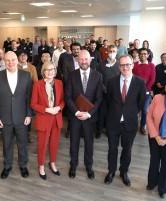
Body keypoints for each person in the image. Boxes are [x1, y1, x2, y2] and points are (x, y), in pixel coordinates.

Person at [105, 54, 146, 186]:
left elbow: (140, 103)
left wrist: (129, 113)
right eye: (122, 65)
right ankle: (111, 171)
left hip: (130, 123)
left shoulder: (140, 83)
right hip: (113, 122)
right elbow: (108, 102)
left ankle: (124, 172)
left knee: (127, 149)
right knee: (112, 149)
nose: (125, 67)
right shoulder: (111, 81)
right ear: (119, 66)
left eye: (128, 64)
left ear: (132, 65)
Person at [0, 51, 32, 179]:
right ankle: (7, 166)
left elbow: (29, 98)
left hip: (22, 117)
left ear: (17, 60)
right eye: (8, 60)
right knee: (7, 143)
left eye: (13, 60)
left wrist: (29, 115)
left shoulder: (26, 75)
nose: (11, 62)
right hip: (4, 118)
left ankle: (23, 165)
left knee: (23, 143)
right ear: (4, 61)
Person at [65, 50, 103, 179]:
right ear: (77, 60)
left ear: (90, 60)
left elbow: (99, 99)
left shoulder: (98, 76)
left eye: (86, 59)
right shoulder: (71, 76)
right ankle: (73, 165)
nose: (84, 62)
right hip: (75, 117)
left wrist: (89, 114)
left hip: (90, 118)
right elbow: (68, 97)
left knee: (89, 143)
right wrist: (76, 112)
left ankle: (89, 166)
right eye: (81, 59)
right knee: (73, 143)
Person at [31, 61, 65, 180]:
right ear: (43, 72)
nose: (50, 72)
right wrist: (46, 109)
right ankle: (41, 166)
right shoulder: (37, 84)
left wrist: (59, 107)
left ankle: (52, 163)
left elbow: (62, 101)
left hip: (56, 117)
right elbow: (33, 104)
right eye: (47, 70)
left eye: (52, 69)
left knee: (54, 143)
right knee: (42, 144)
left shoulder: (59, 83)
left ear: (55, 71)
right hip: (44, 117)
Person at [132, 48, 156, 135]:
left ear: (148, 55)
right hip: (135, 92)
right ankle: (133, 125)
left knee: (145, 110)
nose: (143, 55)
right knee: (133, 109)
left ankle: (142, 126)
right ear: (139, 55)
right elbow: (132, 77)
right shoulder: (134, 65)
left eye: (145, 54)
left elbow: (152, 79)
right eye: (141, 54)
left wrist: (145, 89)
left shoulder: (151, 65)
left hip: (146, 92)